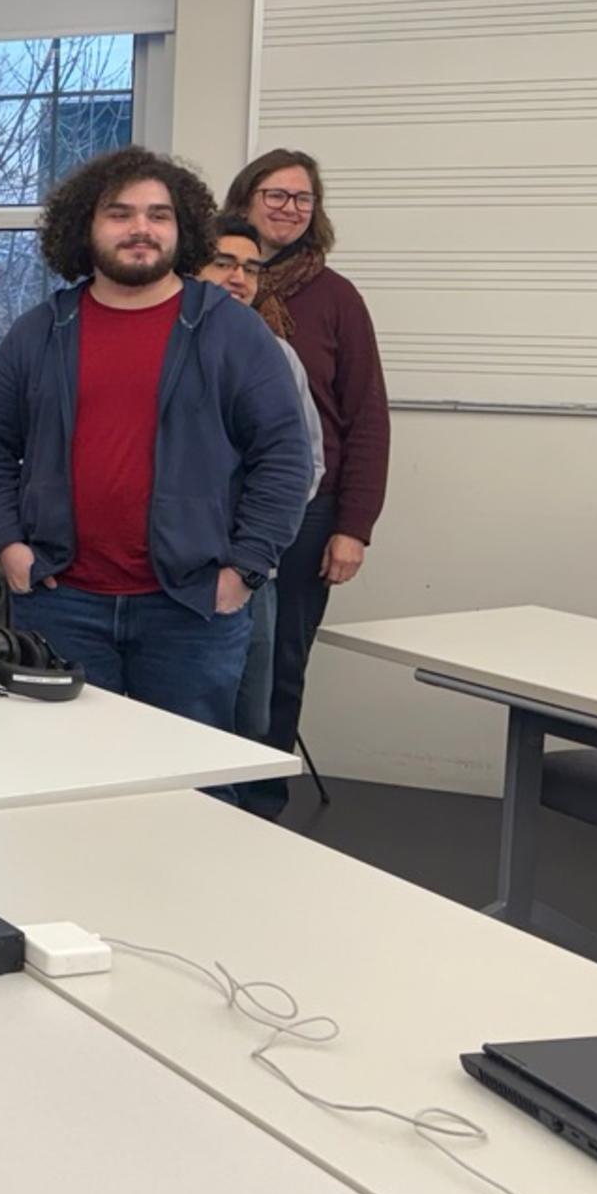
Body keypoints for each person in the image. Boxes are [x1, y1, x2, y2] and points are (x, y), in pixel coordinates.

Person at [0, 147, 312, 732]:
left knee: (193, 789)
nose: (141, 229)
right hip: (62, 601)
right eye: (120, 214)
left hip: (191, 607)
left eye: (159, 214)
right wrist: (9, 545)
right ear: (86, 227)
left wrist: (245, 570)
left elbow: (283, 456)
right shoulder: (42, 331)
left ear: (183, 229)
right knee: (70, 785)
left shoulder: (231, 331)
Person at [223, 148, 389, 818]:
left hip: (306, 511)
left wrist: (353, 527)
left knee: (279, 659)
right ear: (246, 198)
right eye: (276, 194)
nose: (289, 208)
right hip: (218, 509)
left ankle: (260, 796)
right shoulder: (205, 288)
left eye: (302, 198)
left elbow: (367, 415)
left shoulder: (335, 298)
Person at [198, 217, 325, 793]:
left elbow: (306, 465)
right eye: (224, 262)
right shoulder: (160, 348)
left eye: (250, 268)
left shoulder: (279, 357)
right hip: (163, 571)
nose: (239, 277)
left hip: (250, 573)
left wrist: (255, 546)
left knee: (249, 720)